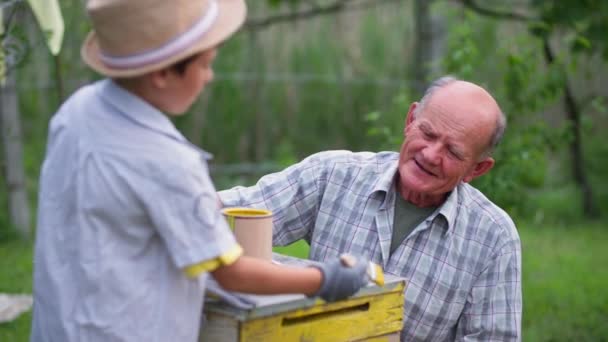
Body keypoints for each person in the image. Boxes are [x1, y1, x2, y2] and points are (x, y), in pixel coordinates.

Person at [30, 1, 370, 341]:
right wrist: (324, 278)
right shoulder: (167, 161)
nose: (209, 77)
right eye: (205, 64)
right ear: (162, 73)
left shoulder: (74, 113)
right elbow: (231, 274)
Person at [219, 76, 522, 341]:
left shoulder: (493, 236)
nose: (430, 155)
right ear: (410, 121)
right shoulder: (333, 174)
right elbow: (234, 213)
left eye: (453, 151)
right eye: (427, 134)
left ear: (477, 169)